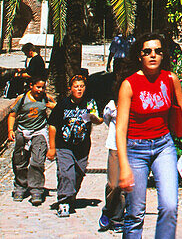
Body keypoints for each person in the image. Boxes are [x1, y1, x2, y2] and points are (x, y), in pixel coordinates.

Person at [116, 31, 182, 238]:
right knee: (135, 213)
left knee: (170, 206)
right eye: (148, 51)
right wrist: (124, 166)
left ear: (163, 55)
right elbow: (121, 129)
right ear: (140, 56)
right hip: (135, 149)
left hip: (163, 146)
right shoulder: (129, 84)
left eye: (158, 51)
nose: (153, 55)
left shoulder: (170, 79)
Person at [48, 72, 103, 217]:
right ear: (70, 89)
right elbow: (53, 125)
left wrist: (94, 118)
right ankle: (64, 202)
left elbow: (99, 120)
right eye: (76, 87)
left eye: (82, 86)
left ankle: (70, 196)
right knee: (66, 172)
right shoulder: (63, 104)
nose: (79, 89)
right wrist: (52, 147)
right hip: (64, 144)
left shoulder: (89, 103)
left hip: (82, 146)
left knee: (78, 172)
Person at [8, 76, 53, 205]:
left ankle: (36, 190)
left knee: (37, 161)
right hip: (23, 131)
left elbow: (57, 110)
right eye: (38, 87)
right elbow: (12, 114)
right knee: (20, 161)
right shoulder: (22, 99)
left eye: (43, 87)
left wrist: (54, 106)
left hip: (39, 132)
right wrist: (11, 130)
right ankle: (20, 186)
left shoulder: (46, 98)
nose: (40, 90)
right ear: (31, 86)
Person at [99, 61, 129, 232]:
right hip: (115, 147)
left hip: (132, 147)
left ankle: (118, 217)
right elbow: (106, 121)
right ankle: (108, 211)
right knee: (113, 184)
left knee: (124, 186)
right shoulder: (111, 106)